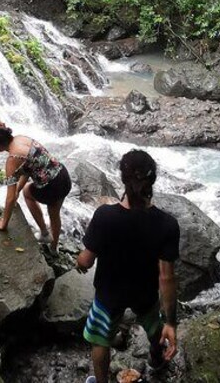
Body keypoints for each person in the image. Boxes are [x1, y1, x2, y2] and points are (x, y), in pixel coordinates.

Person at [77, 149, 180, 383]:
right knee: (156, 330)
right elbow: (166, 278)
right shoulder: (167, 224)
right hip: (145, 294)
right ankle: (157, 360)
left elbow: (86, 260)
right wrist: (171, 322)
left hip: (108, 295)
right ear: (152, 180)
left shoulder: (105, 216)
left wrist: (79, 262)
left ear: (123, 179)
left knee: (100, 339)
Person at [0, 122, 71, 252]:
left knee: (27, 192)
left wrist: (4, 224)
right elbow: (28, 168)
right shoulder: (21, 139)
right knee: (54, 214)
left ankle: (44, 233)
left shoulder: (12, 159)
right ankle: (54, 248)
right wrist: (17, 191)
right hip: (62, 175)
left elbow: (9, 198)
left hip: (51, 187)